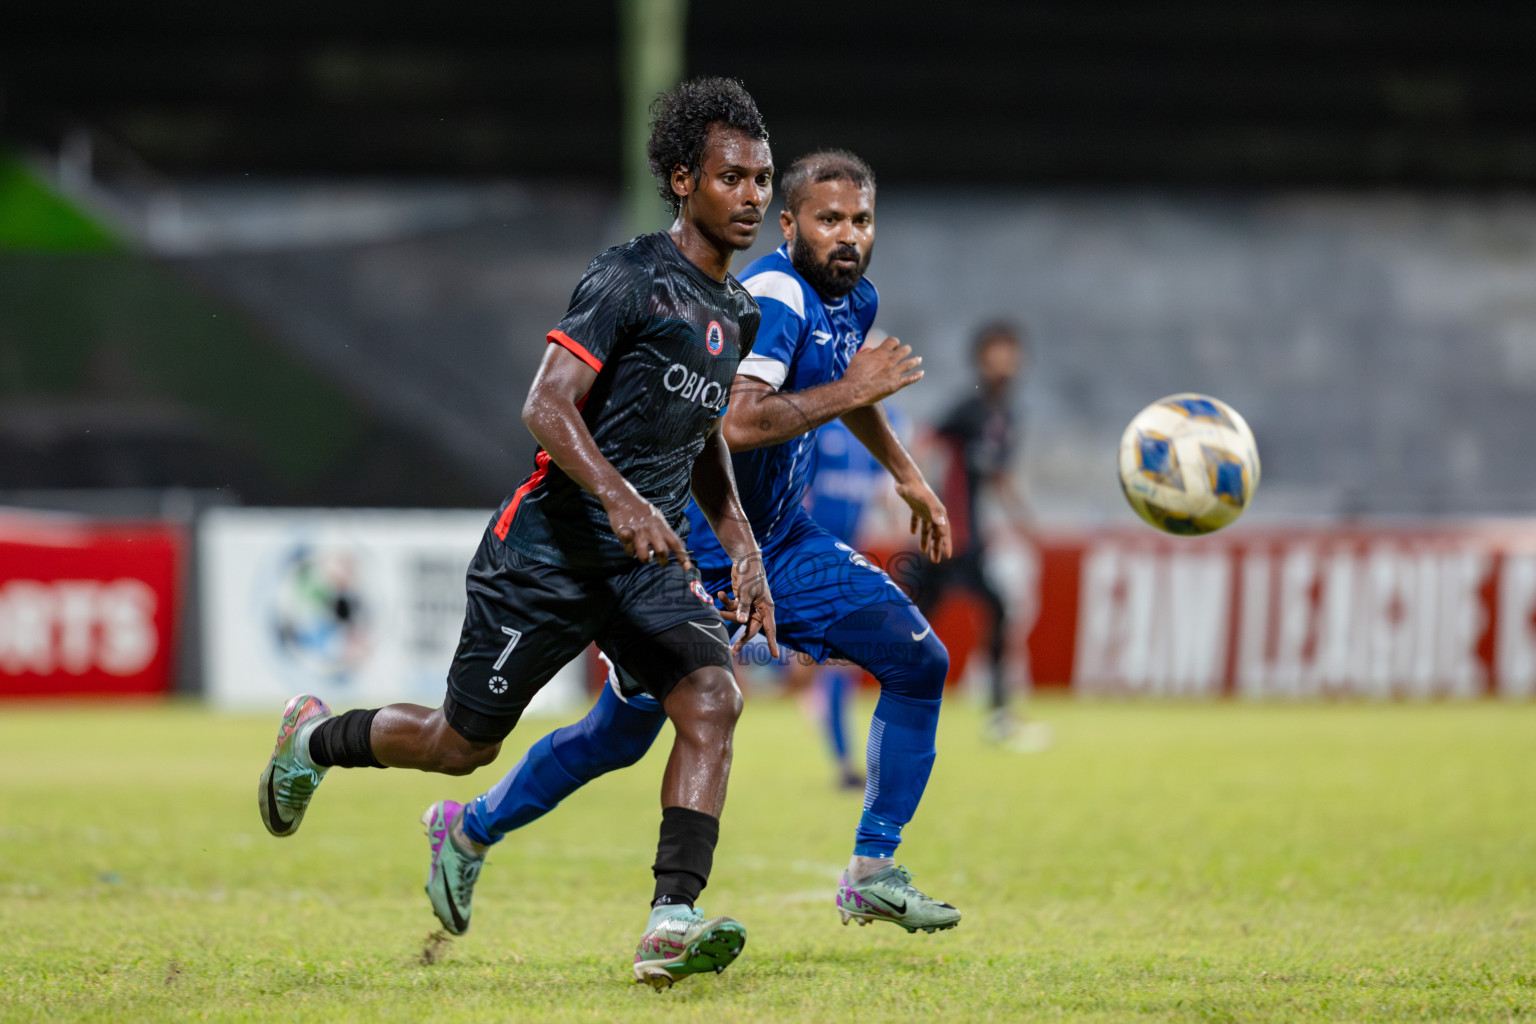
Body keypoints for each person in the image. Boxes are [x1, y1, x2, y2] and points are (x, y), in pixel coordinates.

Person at [256, 76, 779, 990]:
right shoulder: (628, 277)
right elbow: (544, 404)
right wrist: (617, 498)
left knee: (712, 701)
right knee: (461, 745)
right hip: (547, 553)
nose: (753, 197)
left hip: (643, 565)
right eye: (733, 178)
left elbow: (702, 443)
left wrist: (740, 542)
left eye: (763, 178)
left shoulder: (738, 315)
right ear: (682, 180)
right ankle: (315, 739)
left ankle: (670, 918)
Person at [436, 149, 964, 940]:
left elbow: (844, 385)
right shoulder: (775, 298)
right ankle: (472, 825)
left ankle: (871, 870)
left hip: (785, 540)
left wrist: (907, 474)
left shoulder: (849, 296)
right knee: (622, 733)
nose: (848, 236)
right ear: (790, 226)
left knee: (920, 660)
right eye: (829, 221)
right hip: (703, 550)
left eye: (861, 220)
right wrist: (858, 388)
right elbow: (739, 421)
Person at [918, 322, 1036, 745]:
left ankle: (999, 715)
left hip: (972, 539)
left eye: (1010, 351)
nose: (1004, 360)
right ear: (981, 359)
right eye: (996, 351)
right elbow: (925, 442)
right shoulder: (968, 408)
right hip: (949, 537)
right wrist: (918, 498)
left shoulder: (1005, 417)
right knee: (917, 624)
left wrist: (1023, 520)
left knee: (991, 612)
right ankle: (996, 716)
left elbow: (1000, 477)